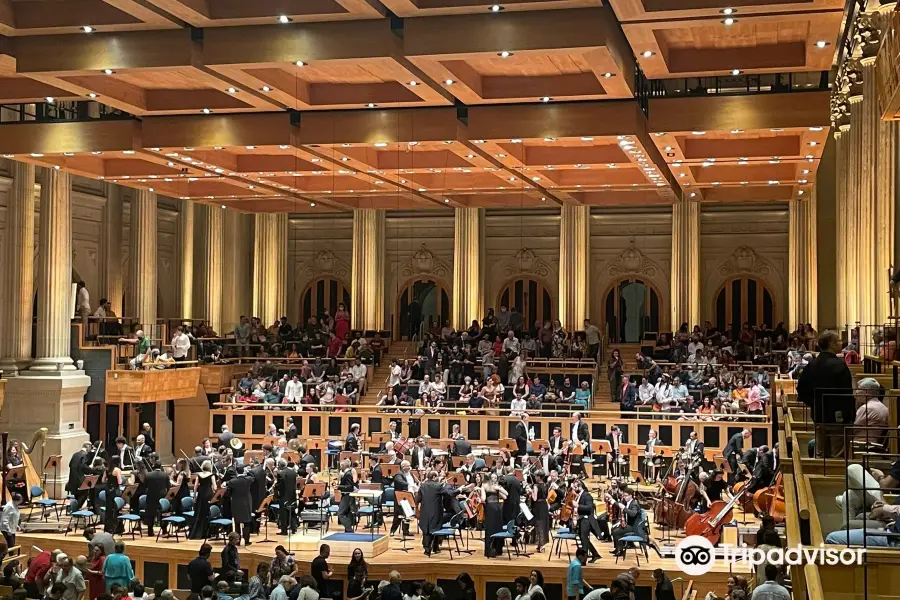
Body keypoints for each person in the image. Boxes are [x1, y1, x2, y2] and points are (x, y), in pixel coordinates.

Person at [797, 330, 854, 458]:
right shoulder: (839, 365)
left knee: (821, 458)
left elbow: (801, 391)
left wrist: (815, 403)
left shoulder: (811, 365)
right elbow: (846, 394)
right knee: (838, 458)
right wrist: (849, 417)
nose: (841, 343)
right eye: (838, 341)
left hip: (819, 416)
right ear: (831, 344)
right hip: (838, 420)